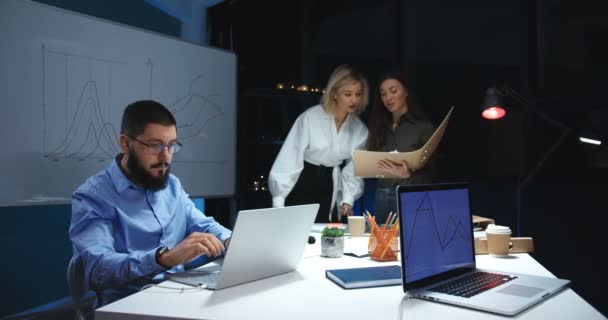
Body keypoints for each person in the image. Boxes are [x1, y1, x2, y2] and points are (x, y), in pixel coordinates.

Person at [69, 100, 232, 308]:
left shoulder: (172, 186)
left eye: (171, 145)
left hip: (178, 298)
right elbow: (97, 270)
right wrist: (164, 258)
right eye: (155, 146)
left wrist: (230, 242)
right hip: (125, 307)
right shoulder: (93, 196)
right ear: (125, 143)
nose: (165, 157)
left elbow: (204, 225)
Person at [268, 65, 369, 222]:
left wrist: (348, 198)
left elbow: (354, 168)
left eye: (358, 94)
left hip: (331, 183)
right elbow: (290, 157)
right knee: (300, 233)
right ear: (334, 93)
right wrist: (278, 199)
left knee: (328, 235)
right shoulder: (310, 117)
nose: (354, 100)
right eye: (348, 94)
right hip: (304, 179)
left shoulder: (359, 129)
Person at [366, 70, 436, 223]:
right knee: (382, 242)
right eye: (383, 93)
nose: (388, 97)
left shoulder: (422, 127)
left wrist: (408, 176)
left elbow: (431, 171)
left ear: (406, 92)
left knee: (409, 241)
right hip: (381, 194)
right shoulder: (378, 126)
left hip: (409, 194)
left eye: (393, 91)